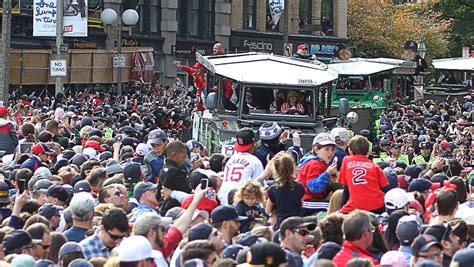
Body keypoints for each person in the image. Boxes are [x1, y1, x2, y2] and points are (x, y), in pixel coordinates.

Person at [337, 135, 389, 214]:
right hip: (377, 206)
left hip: (355, 206)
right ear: (368, 151)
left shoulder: (346, 160)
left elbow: (345, 188)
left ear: (350, 150)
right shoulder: (375, 166)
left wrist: (341, 209)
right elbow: (386, 188)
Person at [218, 129, 265, 205]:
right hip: (242, 201)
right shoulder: (255, 161)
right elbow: (260, 187)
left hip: (223, 199)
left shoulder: (231, 159)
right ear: (253, 144)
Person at [297, 133, 338, 214]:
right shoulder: (314, 164)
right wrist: (327, 173)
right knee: (333, 206)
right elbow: (313, 187)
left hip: (313, 200)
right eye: (327, 149)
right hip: (306, 201)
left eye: (332, 150)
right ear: (316, 150)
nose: (330, 152)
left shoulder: (323, 164)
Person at [266, 152, 305, 230]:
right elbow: (302, 204)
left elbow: (267, 210)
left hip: (281, 225)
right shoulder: (299, 187)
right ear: (292, 168)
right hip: (298, 224)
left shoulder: (273, 189)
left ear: (275, 170)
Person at [158, 141, 192, 214]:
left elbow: (158, 193)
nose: (184, 160)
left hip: (162, 206)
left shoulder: (164, 169)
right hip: (172, 209)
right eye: (183, 157)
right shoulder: (175, 172)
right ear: (173, 155)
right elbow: (186, 189)